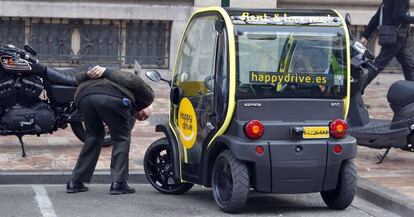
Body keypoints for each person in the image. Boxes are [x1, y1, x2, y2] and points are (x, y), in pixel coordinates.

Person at [66, 66, 154, 195]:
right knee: (121, 138)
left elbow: (77, 78)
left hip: (83, 98)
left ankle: (75, 182)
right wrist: (107, 71)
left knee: (94, 136)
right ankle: (119, 183)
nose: (141, 117)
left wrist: (88, 74)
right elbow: (135, 82)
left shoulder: (97, 76)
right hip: (110, 97)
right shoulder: (143, 90)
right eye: (143, 115)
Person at [360, 0, 414, 92]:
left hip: (397, 37)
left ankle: (412, 94)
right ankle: (356, 90)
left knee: (409, 65)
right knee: (378, 65)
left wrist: (365, 35)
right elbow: (398, 16)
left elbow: (377, 17)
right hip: (396, 37)